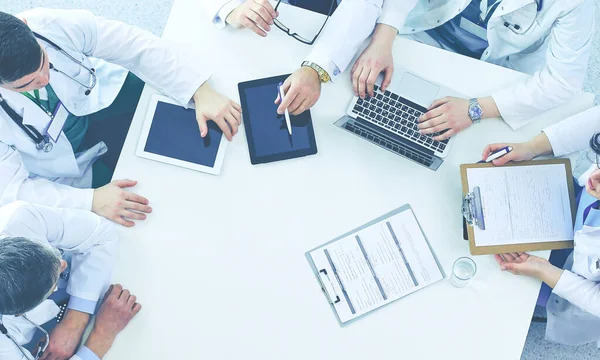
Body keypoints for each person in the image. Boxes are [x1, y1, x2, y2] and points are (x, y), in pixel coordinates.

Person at [0, 9, 242, 227]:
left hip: (100, 98)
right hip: (67, 162)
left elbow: (131, 43)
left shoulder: (46, 24)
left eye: (44, 62)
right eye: (28, 84)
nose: (45, 79)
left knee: (199, 121)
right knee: (149, 202)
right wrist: (91, 200)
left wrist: (199, 88)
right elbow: (13, 189)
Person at [352, 0, 595, 141]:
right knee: (360, 109)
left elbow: (563, 82)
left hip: (489, 74)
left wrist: (474, 109)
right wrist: (382, 40)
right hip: (417, 33)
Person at [482, 106, 600, 346]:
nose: (595, 176)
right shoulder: (594, 182)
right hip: (578, 212)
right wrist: (531, 148)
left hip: (576, 277)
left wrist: (543, 270)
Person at [0, 201, 140, 359]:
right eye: (53, 283)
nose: (62, 264)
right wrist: (102, 336)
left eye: (53, 253)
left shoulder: (18, 219)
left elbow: (101, 234)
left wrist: (74, 322)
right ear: (19, 313)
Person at [203, 0, 385, 116]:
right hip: (253, 37)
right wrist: (230, 9)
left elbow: (364, 4)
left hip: (331, 22)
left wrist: (317, 68)